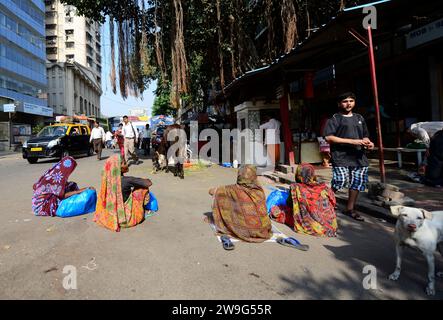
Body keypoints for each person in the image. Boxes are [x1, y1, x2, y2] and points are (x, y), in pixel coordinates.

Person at [324, 92, 375, 222]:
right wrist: (353, 142)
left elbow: (365, 135)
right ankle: (326, 202)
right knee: (340, 181)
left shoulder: (359, 118)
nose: (348, 104)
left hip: (359, 156)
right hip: (340, 156)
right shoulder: (335, 118)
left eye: (351, 101)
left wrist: (369, 143)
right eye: (345, 101)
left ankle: (350, 208)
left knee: (357, 183)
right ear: (339, 104)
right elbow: (329, 137)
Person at [208, 165, 272, 247]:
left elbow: (211, 191)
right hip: (264, 230)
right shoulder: (259, 191)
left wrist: (223, 192)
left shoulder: (231, 189)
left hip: (243, 231)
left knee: (224, 198)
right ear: (254, 176)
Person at [270, 163, 337, 237]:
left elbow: (289, 204)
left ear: (299, 175)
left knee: (276, 210)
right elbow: (333, 202)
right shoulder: (324, 187)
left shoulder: (296, 188)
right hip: (330, 224)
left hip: (309, 224)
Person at [94, 155, 153, 232]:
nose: (127, 164)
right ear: (119, 167)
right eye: (124, 163)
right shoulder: (127, 180)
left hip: (109, 216)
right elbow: (148, 183)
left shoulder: (107, 179)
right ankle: (142, 209)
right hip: (126, 219)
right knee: (142, 189)